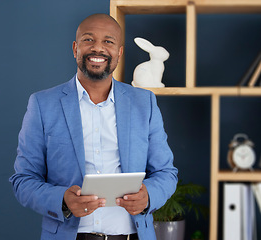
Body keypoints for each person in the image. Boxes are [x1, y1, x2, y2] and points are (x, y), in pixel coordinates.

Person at [9, 13, 178, 240]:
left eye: (108, 41)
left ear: (119, 52)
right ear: (75, 48)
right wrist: (62, 200)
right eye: (88, 40)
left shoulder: (144, 103)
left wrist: (149, 196)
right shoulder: (42, 104)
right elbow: (23, 180)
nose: (98, 48)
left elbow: (166, 173)